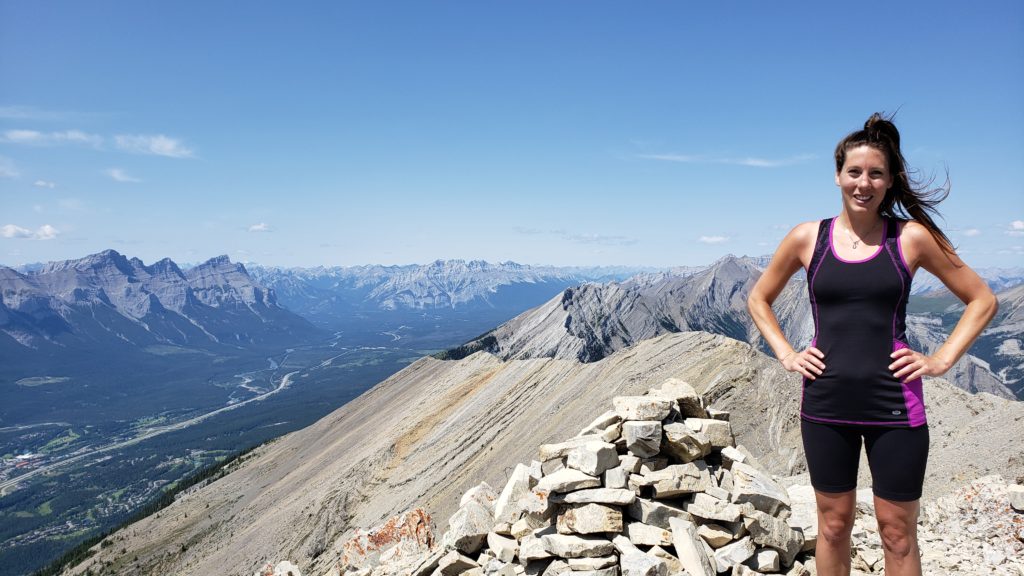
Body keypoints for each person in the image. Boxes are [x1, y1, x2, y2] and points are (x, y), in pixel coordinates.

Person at [746, 112, 998, 576]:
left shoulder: (912, 237)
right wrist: (786, 352)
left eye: (875, 173)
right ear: (838, 175)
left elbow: (982, 299)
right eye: (854, 172)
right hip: (825, 402)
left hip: (895, 404)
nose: (864, 183)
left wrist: (942, 359)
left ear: (890, 180)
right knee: (833, 525)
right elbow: (759, 298)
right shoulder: (808, 237)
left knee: (897, 533)